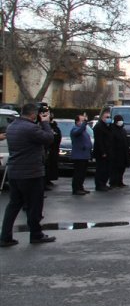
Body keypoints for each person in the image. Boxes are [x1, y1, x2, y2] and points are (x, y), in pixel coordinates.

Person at [1, 103, 56, 246]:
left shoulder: (12, 126)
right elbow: (49, 138)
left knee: (13, 205)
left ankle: (5, 236)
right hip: (31, 172)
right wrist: (45, 123)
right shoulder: (31, 128)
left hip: (14, 171)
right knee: (34, 205)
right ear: (33, 114)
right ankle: (36, 234)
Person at [69, 113, 92, 195]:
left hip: (85, 155)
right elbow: (78, 132)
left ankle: (80, 187)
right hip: (79, 156)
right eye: (82, 121)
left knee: (83, 173)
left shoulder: (84, 130)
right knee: (78, 173)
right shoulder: (75, 129)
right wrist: (84, 124)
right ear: (77, 122)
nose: (84, 122)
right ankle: (76, 189)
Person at [108, 114, 130, 187]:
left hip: (123, 152)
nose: (120, 122)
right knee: (115, 169)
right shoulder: (112, 130)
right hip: (116, 153)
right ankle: (113, 182)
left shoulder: (123, 130)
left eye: (121, 120)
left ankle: (120, 181)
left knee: (122, 168)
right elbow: (111, 142)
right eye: (119, 120)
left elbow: (126, 141)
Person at [92, 108, 113, 191]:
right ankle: (99, 184)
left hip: (108, 151)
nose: (108, 119)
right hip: (101, 152)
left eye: (109, 117)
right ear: (102, 117)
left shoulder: (108, 126)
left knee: (107, 169)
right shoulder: (99, 127)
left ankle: (104, 183)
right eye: (107, 117)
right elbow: (99, 141)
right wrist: (103, 152)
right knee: (101, 169)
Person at [44, 110, 62, 190]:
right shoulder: (44, 126)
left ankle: (48, 180)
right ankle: (44, 182)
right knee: (46, 166)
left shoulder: (55, 126)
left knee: (52, 165)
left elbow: (58, 136)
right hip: (48, 150)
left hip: (54, 149)